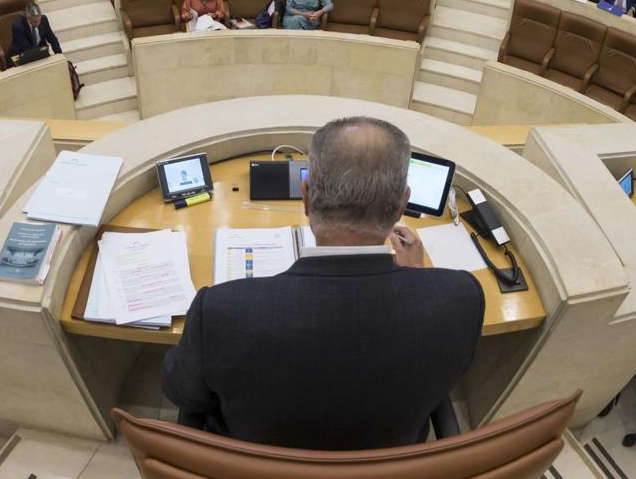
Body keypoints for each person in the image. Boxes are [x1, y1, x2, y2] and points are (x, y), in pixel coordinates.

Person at [163, 117, 484, 448]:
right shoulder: (461, 298)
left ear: (306, 195)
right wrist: (417, 280)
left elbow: (182, 391)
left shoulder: (219, 310)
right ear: (402, 202)